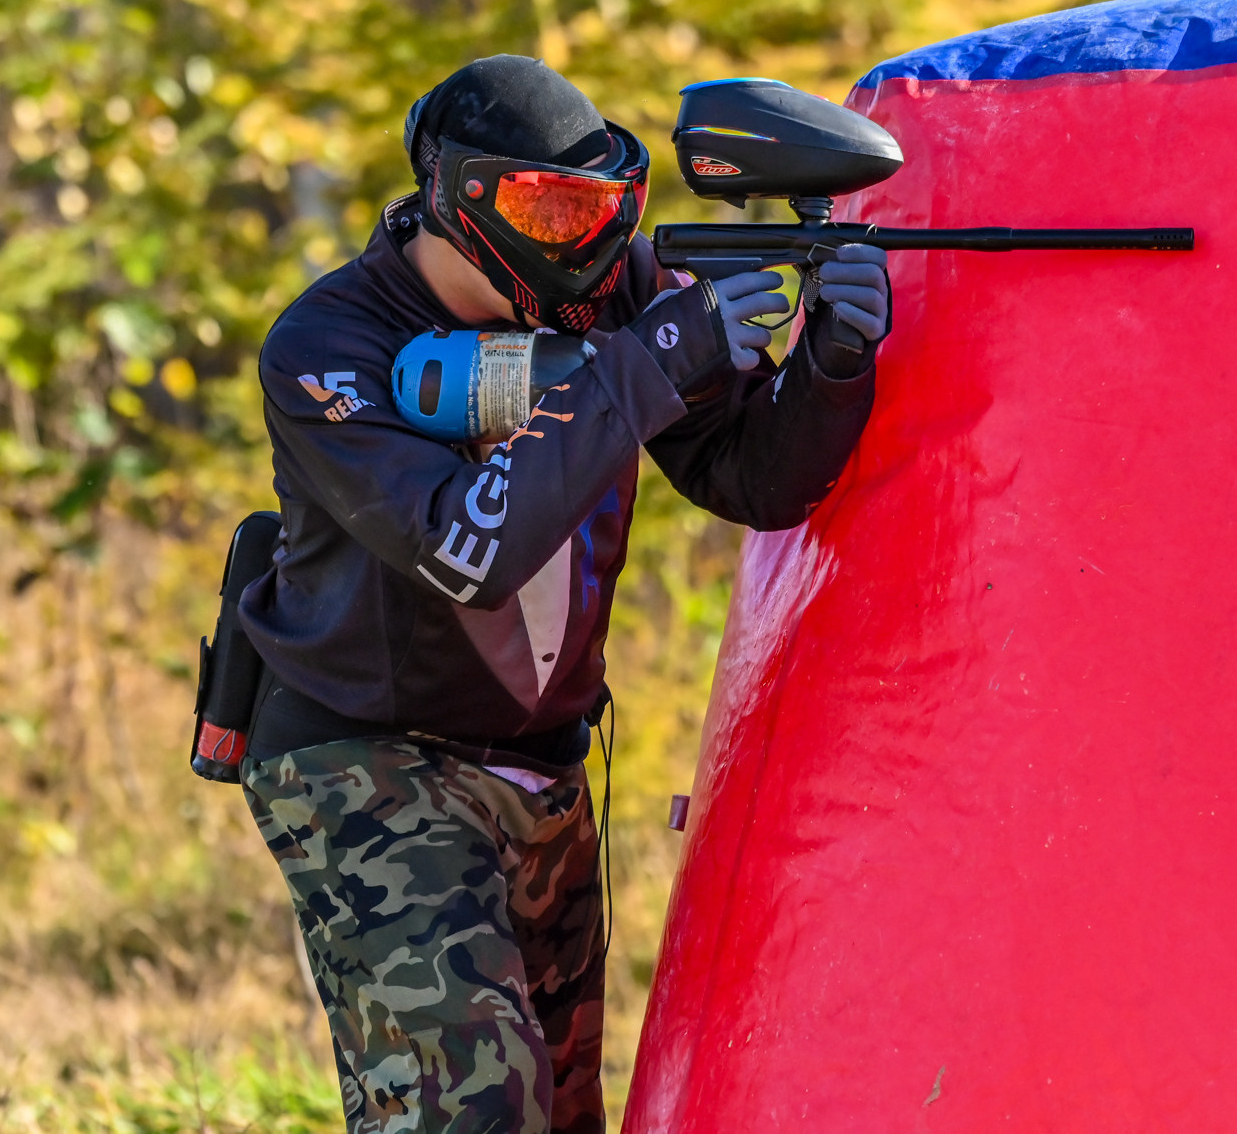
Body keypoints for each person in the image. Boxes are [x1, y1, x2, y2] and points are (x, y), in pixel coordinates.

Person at [237, 55, 889, 1134]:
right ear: (457, 199)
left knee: (563, 1113)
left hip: (539, 766)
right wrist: (645, 362)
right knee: (472, 1114)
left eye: (596, 208)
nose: (578, 242)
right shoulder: (329, 343)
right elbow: (461, 548)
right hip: (366, 761)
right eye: (545, 208)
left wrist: (831, 363)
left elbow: (752, 479)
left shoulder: (614, 293)